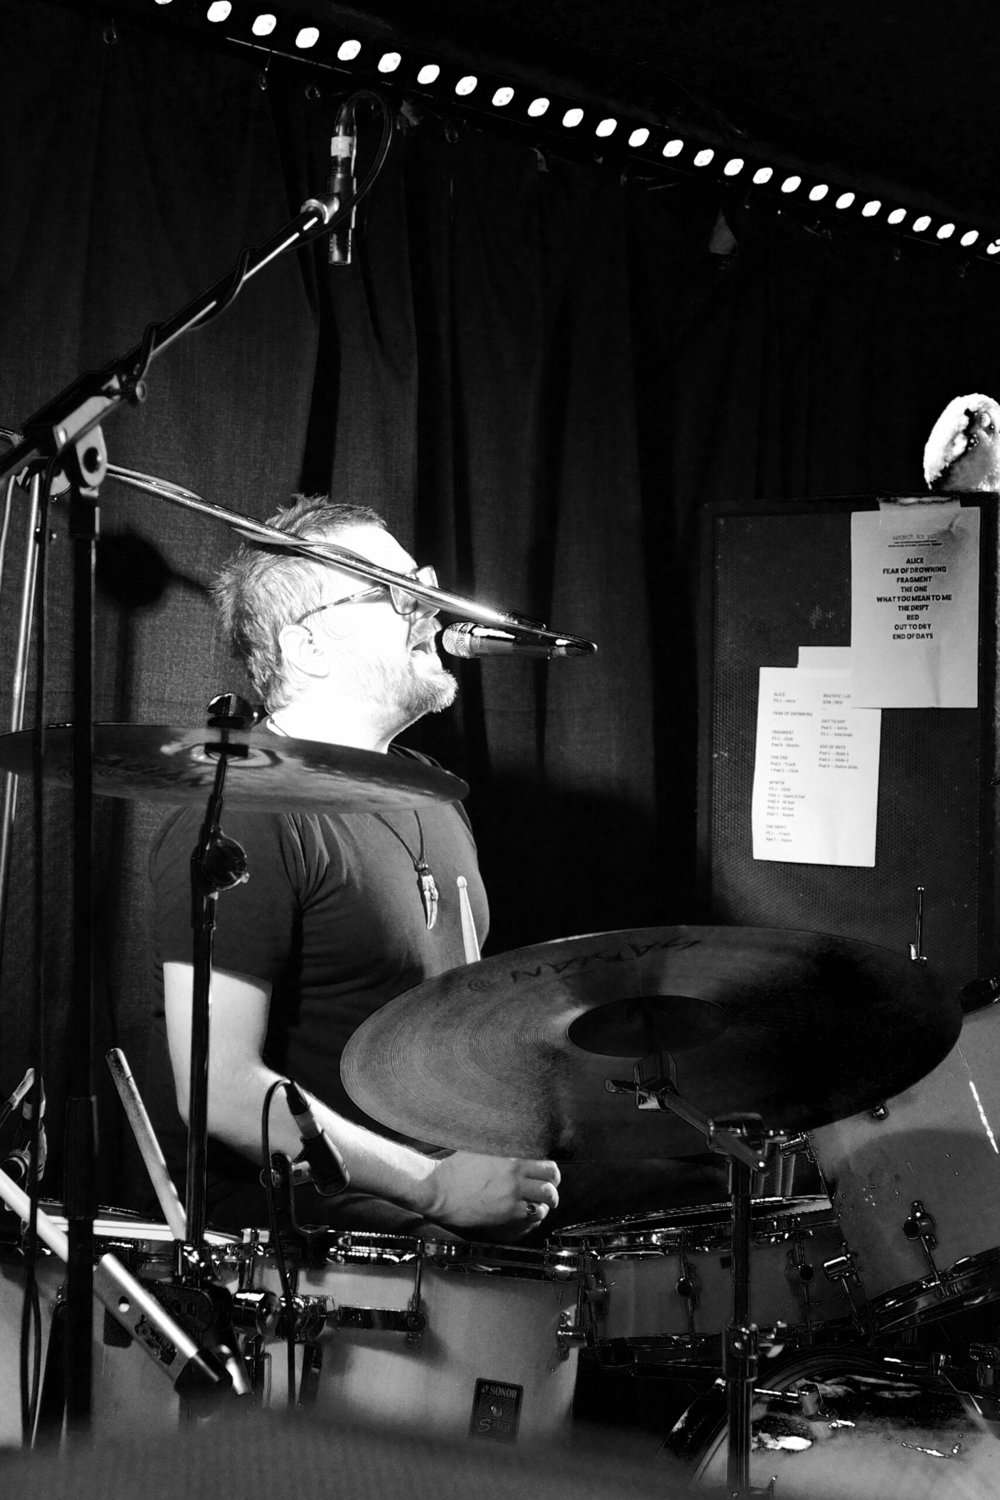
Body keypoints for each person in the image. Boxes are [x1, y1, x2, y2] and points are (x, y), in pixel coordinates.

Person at [147, 495, 560, 1239]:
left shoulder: (431, 790)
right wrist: (435, 1187)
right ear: (307, 645)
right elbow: (219, 1091)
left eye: (423, 583)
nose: (429, 607)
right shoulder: (246, 812)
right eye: (393, 590)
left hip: (442, 1168)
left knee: (700, 1190)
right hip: (312, 1212)